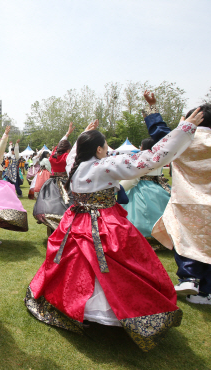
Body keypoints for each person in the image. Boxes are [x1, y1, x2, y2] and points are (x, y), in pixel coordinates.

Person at [25, 111, 203, 352]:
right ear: (98, 149)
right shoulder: (106, 166)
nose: (108, 149)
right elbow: (152, 158)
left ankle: (80, 307)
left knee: (79, 265)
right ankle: (110, 313)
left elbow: (75, 154)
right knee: (114, 266)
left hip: (76, 222)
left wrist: (83, 135)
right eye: (105, 145)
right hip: (105, 224)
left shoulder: (74, 167)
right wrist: (184, 129)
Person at [142, 91, 211, 305]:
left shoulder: (185, 140)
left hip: (187, 201)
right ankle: (205, 291)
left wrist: (152, 107)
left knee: (183, 237)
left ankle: (189, 276)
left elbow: (161, 133)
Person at [119, 137, 169, 241]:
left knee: (140, 213)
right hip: (158, 187)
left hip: (142, 187)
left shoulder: (142, 158)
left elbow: (134, 178)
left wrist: (121, 188)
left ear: (144, 146)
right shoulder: (161, 157)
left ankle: (143, 236)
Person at [33, 124, 75, 235]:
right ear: (68, 149)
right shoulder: (67, 157)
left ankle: (51, 232)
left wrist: (67, 134)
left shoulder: (52, 157)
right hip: (65, 183)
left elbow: (59, 146)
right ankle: (64, 232)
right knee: (65, 207)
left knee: (50, 207)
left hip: (53, 183)